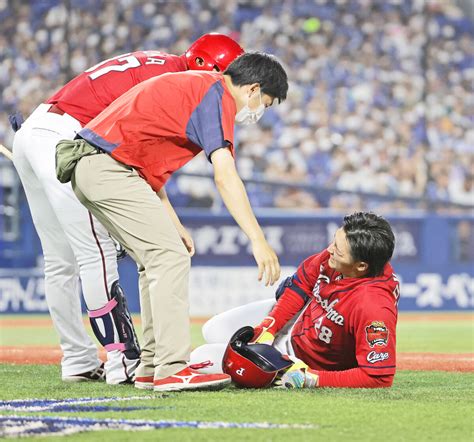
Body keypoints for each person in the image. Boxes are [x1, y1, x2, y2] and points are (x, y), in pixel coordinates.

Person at [11, 33, 244, 384]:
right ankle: (123, 361)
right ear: (205, 67)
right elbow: (135, 157)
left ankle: (77, 358)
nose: (228, 89)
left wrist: (171, 219)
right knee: (97, 252)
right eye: (225, 76)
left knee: (60, 262)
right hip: (67, 139)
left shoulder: (160, 64)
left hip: (37, 130)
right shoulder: (184, 82)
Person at [56, 51, 288, 391]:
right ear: (253, 89)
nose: (259, 112)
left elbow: (145, 164)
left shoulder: (197, 87)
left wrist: (173, 223)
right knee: (168, 258)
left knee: (157, 260)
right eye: (264, 103)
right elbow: (224, 175)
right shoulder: (216, 95)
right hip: (107, 167)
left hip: (99, 166)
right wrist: (257, 238)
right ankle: (172, 368)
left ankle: (151, 367)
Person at [191, 212, 400, 389]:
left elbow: (378, 376)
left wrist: (311, 378)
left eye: (338, 250)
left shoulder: (374, 305)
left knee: (199, 357)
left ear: (361, 266)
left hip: (297, 360)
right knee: (212, 329)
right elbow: (300, 285)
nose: (329, 251)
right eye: (334, 241)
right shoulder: (337, 257)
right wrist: (269, 327)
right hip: (295, 321)